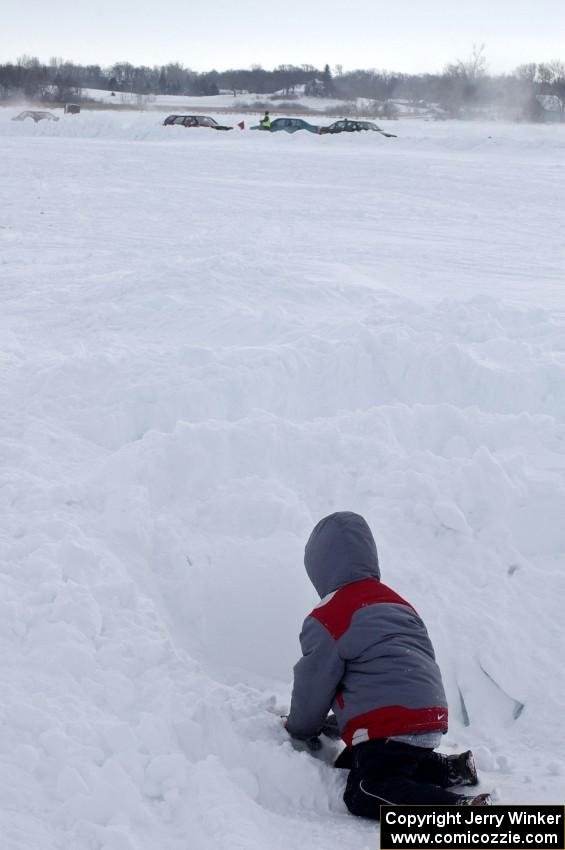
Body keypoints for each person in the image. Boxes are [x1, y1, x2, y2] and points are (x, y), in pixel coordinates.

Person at [285, 511, 491, 817]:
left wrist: (301, 728)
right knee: (389, 757)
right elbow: (386, 669)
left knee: (367, 788)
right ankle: (453, 768)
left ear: (319, 567)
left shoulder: (329, 615)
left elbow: (314, 682)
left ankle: (457, 811)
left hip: (391, 722)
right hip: (429, 713)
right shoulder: (396, 601)